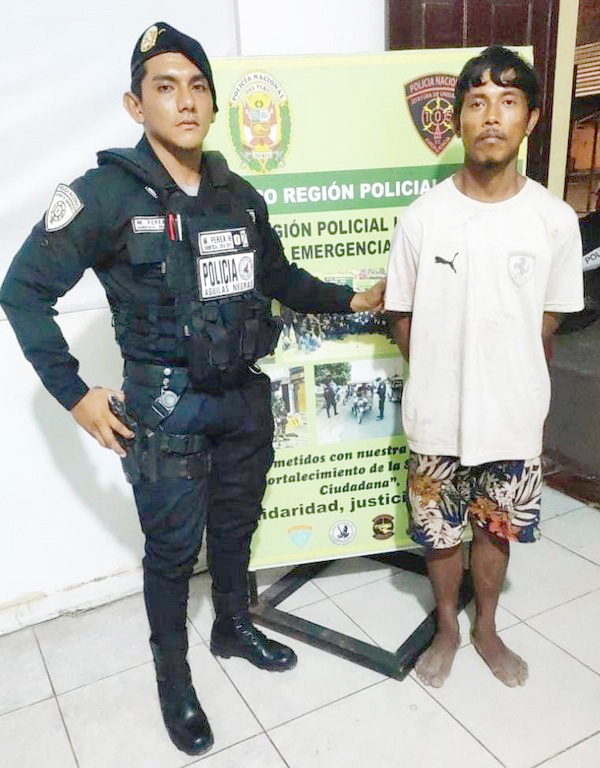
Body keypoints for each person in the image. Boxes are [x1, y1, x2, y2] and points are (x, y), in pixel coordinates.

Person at [0, 22, 384, 757]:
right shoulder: (104, 196)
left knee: (236, 528)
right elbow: (21, 292)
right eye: (165, 87)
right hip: (166, 407)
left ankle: (233, 627)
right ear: (136, 104)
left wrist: (351, 299)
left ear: (212, 103)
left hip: (242, 397)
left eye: (198, 87)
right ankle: (173, 677)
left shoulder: (238, 196)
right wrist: (75, 394)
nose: (184, 101)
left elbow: (279, 277)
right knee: (173, 552)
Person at [385, 46, 583, 690]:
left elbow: (548, 318)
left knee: (496, 529)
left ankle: (487, 627)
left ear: (531, 119)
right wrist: (444, 372)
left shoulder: (554, 221)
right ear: (458, 120)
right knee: (440, 532)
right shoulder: (423, 218)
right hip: (436, 415)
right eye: (477, 103)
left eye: (507, 101)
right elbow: (402, 315)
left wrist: (499, 370)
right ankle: (447, 626)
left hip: (513, 416)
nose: (491, 116)